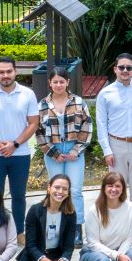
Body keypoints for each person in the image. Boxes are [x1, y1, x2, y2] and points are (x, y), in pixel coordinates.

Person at [0, 57, 40, 237]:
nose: (5, 75)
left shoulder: (28, 94)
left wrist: (15, 144)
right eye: (1, 72)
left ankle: (19, 232)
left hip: (20, 154)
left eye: (9, 71)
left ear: (15, 71)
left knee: (19, 195)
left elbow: (33, 123)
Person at [96, 52, 132, 240]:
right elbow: (101, 123)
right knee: (115, 188)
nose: (125, 71)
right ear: (115, 69)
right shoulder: (105, 93)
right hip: (116, 145)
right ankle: (117, 226)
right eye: (121, 67)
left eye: (129, 68)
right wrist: (107, 150)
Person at [34, 66, 91, 230]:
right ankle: (57, 225)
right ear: (49, 83)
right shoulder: (42, 106)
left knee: (74, 190)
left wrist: (76, 150)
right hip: (53, 152)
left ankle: (77, 226)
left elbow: (87, 127)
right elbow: (38, 132)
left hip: (74, 150)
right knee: (56, 190)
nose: (58, 85)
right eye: (55, 82)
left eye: (61, 81)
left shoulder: (78, 102)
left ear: (68, 82)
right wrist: (53, 152)